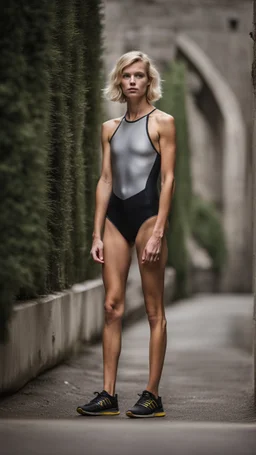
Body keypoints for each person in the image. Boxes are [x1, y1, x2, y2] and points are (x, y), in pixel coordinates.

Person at [76, 50, 176, 418]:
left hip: (149, 216)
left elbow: (167, 179)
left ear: (150, 82)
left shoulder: (163, 122)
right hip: (116, 219)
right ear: (119, 81)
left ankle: (152, 394)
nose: (132, 81)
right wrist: (96, 233)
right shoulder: (110, 128)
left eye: (139, 75)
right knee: (111, 306)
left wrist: (159, 232)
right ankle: (108, 394)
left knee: (153, 311)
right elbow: (105, 180)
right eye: (126, 75)